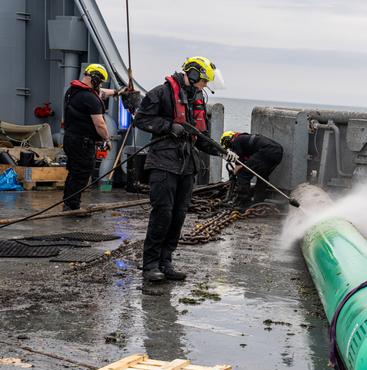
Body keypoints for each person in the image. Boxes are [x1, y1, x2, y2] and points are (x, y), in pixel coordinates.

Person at [134, 56, 227, 282]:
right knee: (162, 214)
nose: (205, 86)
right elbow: (141, 119)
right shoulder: (161, 93)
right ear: (193, 74)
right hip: (163, 163)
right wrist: (168, 126)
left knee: (178, 215)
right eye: (204, 81)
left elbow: (199, 136)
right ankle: (150, 265)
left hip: (186, 165)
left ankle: (166, 262)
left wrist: (223, 151)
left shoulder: (196, 98)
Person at [62, 63, 117, 211]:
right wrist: (107, 139)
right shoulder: (90, 98)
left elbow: (101, 92)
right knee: (82, 173)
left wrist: (118, 92)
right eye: (100, 82)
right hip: (82, 142)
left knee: (73, 171)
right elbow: (100, 124)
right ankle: (73, 206)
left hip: (70, 139)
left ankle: (68, 202)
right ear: (96, 79)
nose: (100, 85)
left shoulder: (73, 90)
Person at [220, 131, 283, 210]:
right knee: (262, 176)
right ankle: (258, 201)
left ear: (228, 139)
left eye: (228, 146)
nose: (230, 149)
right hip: (277, 152)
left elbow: (239, 163)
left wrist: (234, 174)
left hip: (266, 151)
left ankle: (243, 203)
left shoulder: (236, 140)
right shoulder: (245, 139)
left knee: (243, 174)